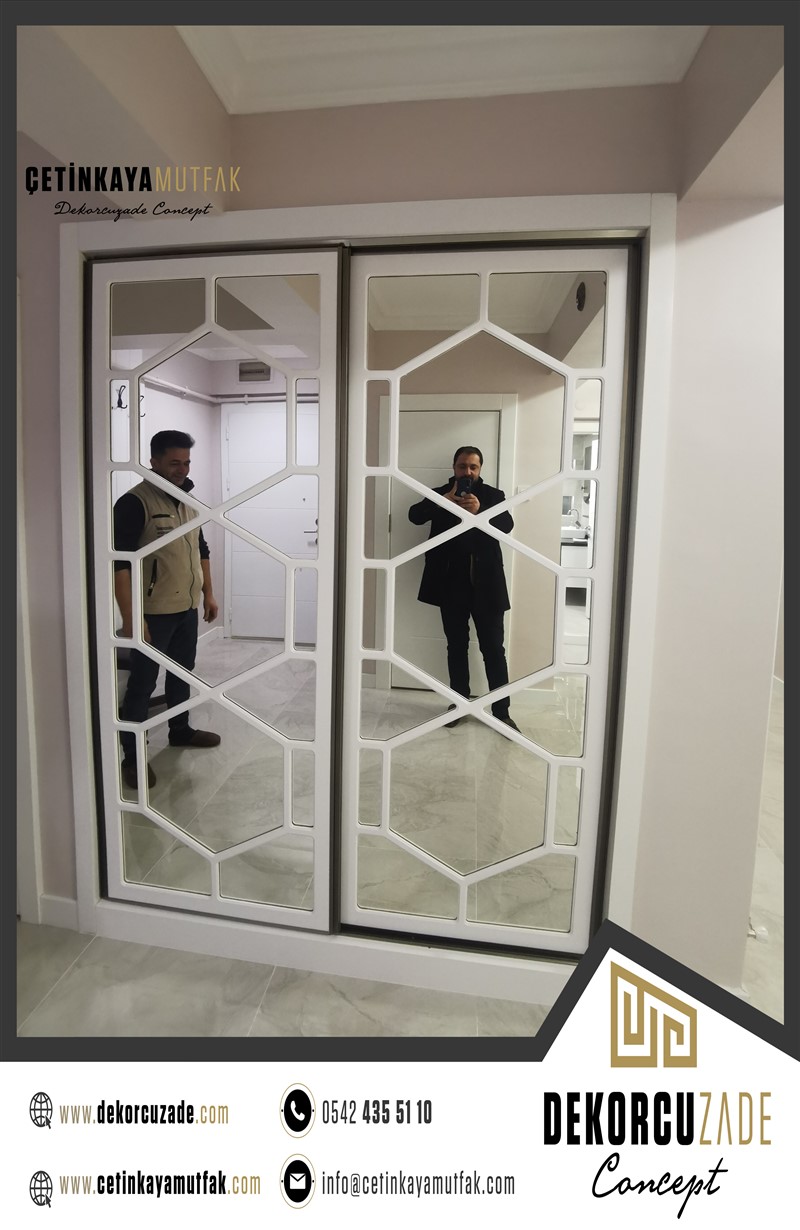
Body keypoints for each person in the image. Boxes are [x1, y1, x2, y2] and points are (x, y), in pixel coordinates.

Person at [114, 430, 221, 789]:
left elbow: (201, 550)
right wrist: (131, 618)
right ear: (154, 461)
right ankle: (132, 757)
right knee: (143, 683)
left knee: (182, 673)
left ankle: (180, 730)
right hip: (153, 613)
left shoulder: (188, 501)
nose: (182, 469)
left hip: (186, 607)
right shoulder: (134, 503)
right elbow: (120, 564)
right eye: (174, 462)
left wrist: (208, 593)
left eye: (186, 462)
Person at [408, 445, 519, 731]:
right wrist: (443, 501)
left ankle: (502, 712)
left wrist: (481, 511)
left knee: (493, 649)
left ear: (480, 469)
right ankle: (459, 705)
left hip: (487, 587)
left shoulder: (493, 496)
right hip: (450, 585)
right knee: (456, 647)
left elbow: (507, 525)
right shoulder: (440, 493)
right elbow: (414, 516)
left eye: (473, 467)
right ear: (454, 467)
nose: (467, 472)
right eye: (462, 466)